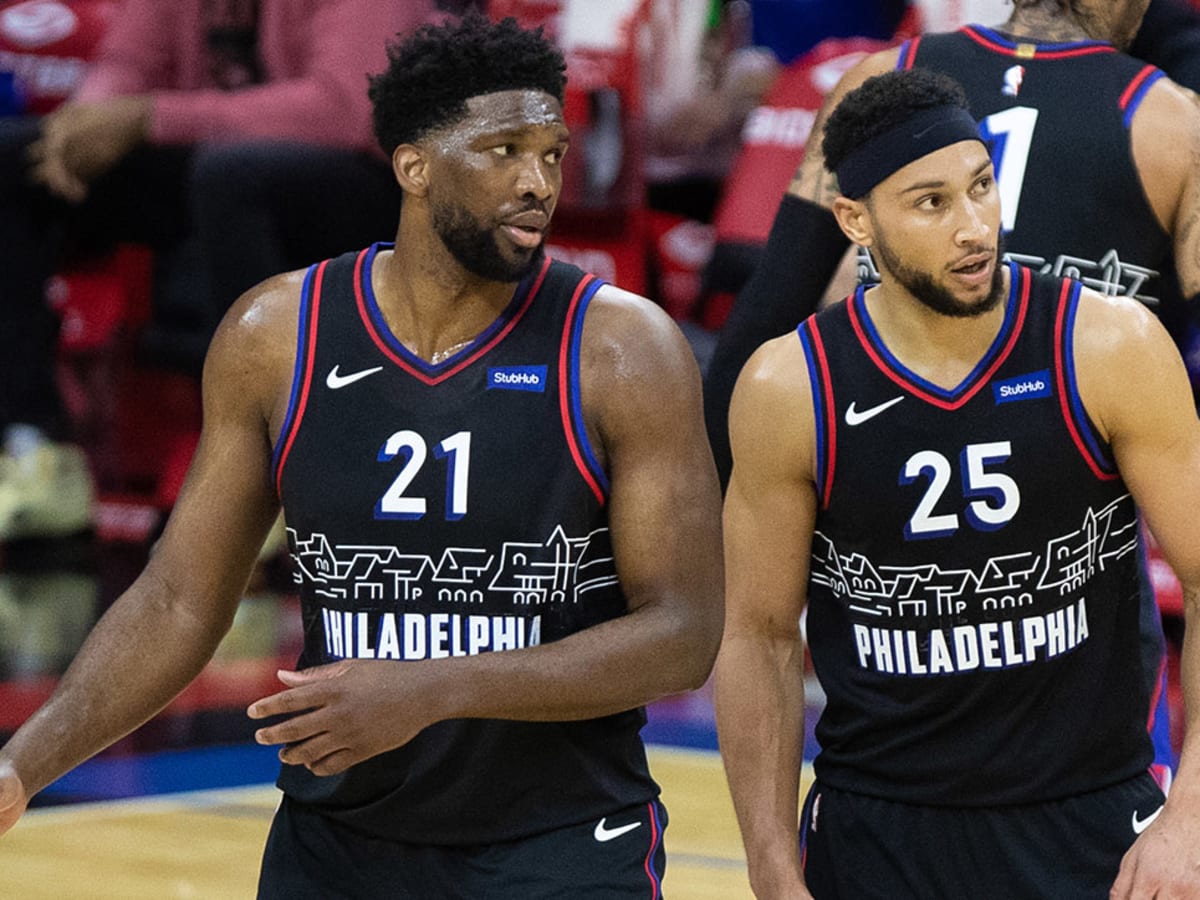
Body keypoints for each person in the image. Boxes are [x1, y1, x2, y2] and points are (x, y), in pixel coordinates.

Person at [0, 12, 724, 897]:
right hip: (335, 842)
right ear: (414, 166)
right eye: (502, 151)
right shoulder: (279, 335)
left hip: (560, 842)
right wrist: (22, 766)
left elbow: (683, 635)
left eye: (552, 153)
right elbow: (180, 599)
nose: (537, 182)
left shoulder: (622, 349)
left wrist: (432, 689)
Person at [713, 67, 1200, 899]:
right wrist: (770, 865)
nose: (974, 227)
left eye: (980, 187)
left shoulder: (1107, 347)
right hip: (877, 831)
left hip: (1088, 824)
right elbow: (759, 637)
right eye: (931, 203)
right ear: (854, 220)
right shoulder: (790, 387)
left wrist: (1188, 819)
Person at [0, 0, 440, 541]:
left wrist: (149, 117)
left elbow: (344, 109)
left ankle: (272, 467)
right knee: (16, 161)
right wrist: (84, 126)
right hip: (215, 159)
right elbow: (129, 62)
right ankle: (36, 447)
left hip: (370, 181)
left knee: (230, 176)